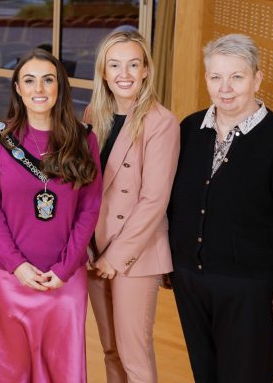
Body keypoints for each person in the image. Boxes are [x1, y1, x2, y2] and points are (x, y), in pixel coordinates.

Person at [168, 33, 273, 383]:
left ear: (257, 78)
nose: (226, 88)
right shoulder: (190, 129)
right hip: (191, 280)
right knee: (205, 375)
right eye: (216, 77)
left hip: (250, 288)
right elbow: (172, 201)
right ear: (206, 78)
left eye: (237, 76)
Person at [0, 49, 102, 382]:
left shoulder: (83, 139)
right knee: (12, 370)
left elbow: (89, 210)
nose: (39, 89)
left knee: (62, 369)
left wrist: (64, 268)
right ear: (18, 88)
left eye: (48, 80)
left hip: (64, 279)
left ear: (59, 86)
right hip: (9, 277)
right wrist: (16, 265)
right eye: (29, 81)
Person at [84, 30, 180, 383]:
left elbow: (154, 199)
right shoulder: (94, 114)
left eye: (133, 64)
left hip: (134, 256)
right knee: (110, 349)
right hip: (96, 250)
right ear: (104, 72)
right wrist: (87, 246)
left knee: (133, 353)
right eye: (115, 65)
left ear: (145, 71)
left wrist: (114, 256)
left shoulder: (161, 122)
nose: (124, 74)